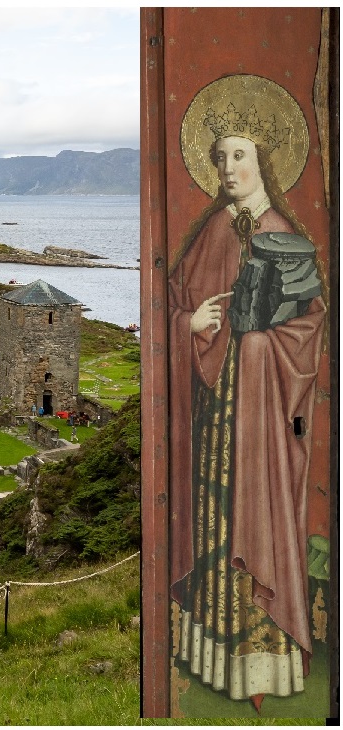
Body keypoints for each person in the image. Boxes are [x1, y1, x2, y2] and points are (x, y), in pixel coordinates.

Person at [167, 102, 326, 709]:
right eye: (221, 156)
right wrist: (191, 322)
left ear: (263, 163)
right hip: (214, 419)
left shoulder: (282, 235)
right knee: (214, 527)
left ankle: (265, 670)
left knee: (252, 523)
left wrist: (257, 343)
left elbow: (310, 326)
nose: (227, 167)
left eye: (239, 156)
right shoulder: (213, 230)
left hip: (260, 419)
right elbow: (175, 302)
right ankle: (216, 663)